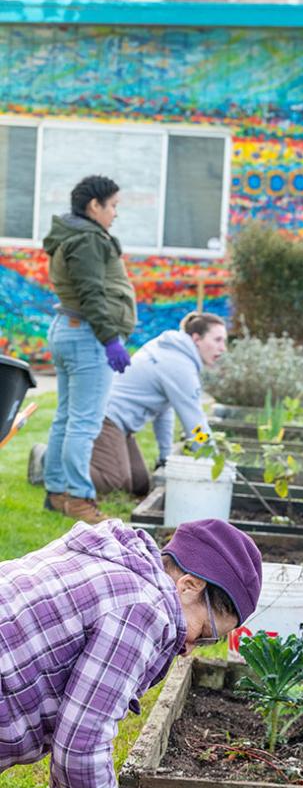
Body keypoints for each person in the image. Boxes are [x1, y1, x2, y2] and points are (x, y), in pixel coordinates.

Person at [0, 517, 262, 788]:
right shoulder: (144, 611)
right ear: (188, 586)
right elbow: (81, 745)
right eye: (205, 631)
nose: (191, 648)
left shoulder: (112, 562)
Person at [41, 174, 136, 525]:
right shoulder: (87, 240)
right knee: (83, 423)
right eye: (112, 206)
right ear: (93, 205)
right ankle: (80, 499)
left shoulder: (73, 235)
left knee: (66, 418)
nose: (114, 214)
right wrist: (110, 339)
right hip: (87, 336)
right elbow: (92, 293)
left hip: (70, 329)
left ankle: (57, 493)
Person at [86, 312, 227, 497]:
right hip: (106, 419)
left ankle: (84, 457)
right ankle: (54, 463)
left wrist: (165, 456)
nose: (223, 348)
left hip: (121, 426)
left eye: (224, 341)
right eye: (217, 340)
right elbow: (195, 425)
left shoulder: (174, 352)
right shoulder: (179, 365)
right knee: (116, 482)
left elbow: (164, 412)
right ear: (197, 338)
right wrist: (213, 463)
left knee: (139, 484)